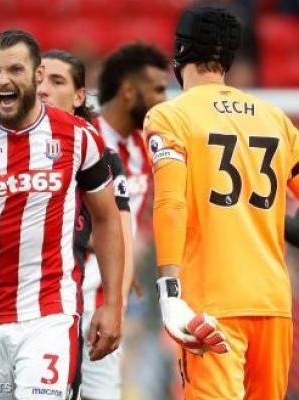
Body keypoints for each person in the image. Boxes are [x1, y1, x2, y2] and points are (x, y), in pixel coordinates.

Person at [0, 30, 124, 400]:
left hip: (48, 314)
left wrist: (113, 305)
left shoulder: (78, 137)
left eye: (15, 69)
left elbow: (109, 220)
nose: (3, 80)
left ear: (37, 75)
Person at [146, 5, 298, 399]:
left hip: (210, 306)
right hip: (272, 304)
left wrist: (170, 288)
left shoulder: (169, 116)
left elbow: (170, 202)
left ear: (178, 54)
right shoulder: (275, 118)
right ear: (228, 59)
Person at [37, 50, 133, 400]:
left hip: (90, 306)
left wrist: (115, 307)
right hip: (21, 310)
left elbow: (122, 237)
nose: (43, 90)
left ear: (80, 96)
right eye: (38, 80)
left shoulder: (102, 158)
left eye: (56, 81)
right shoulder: (2, 150)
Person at [95, 43, 169, 252]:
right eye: (158, 90)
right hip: (84, 279)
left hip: (129, 278)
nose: (164, 101)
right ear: (128, 92)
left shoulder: (147, 146)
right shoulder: (85, 141)